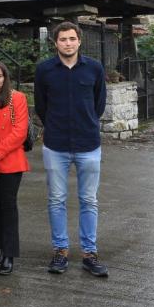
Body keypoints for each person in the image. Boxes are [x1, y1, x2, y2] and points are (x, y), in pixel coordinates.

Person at [35, 22, 108, 277]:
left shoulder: (95, 69)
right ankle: (60, 251)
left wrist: (86, 122)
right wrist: (55, 126)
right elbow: (41, 106)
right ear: (55, 43)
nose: (68, 43)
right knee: (57, 200)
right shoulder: (44, 70)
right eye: (63, 39)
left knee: (89, 200)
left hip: (88, 144)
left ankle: (89, 253)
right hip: (56, 146)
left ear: (79, 41)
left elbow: (98, 104)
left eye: (72, 39)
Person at [0, 61, 30, 276]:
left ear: (5, 77)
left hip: (9, 160)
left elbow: (19, 132)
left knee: (8, 206)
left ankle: (9, 254)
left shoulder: (16, 98)